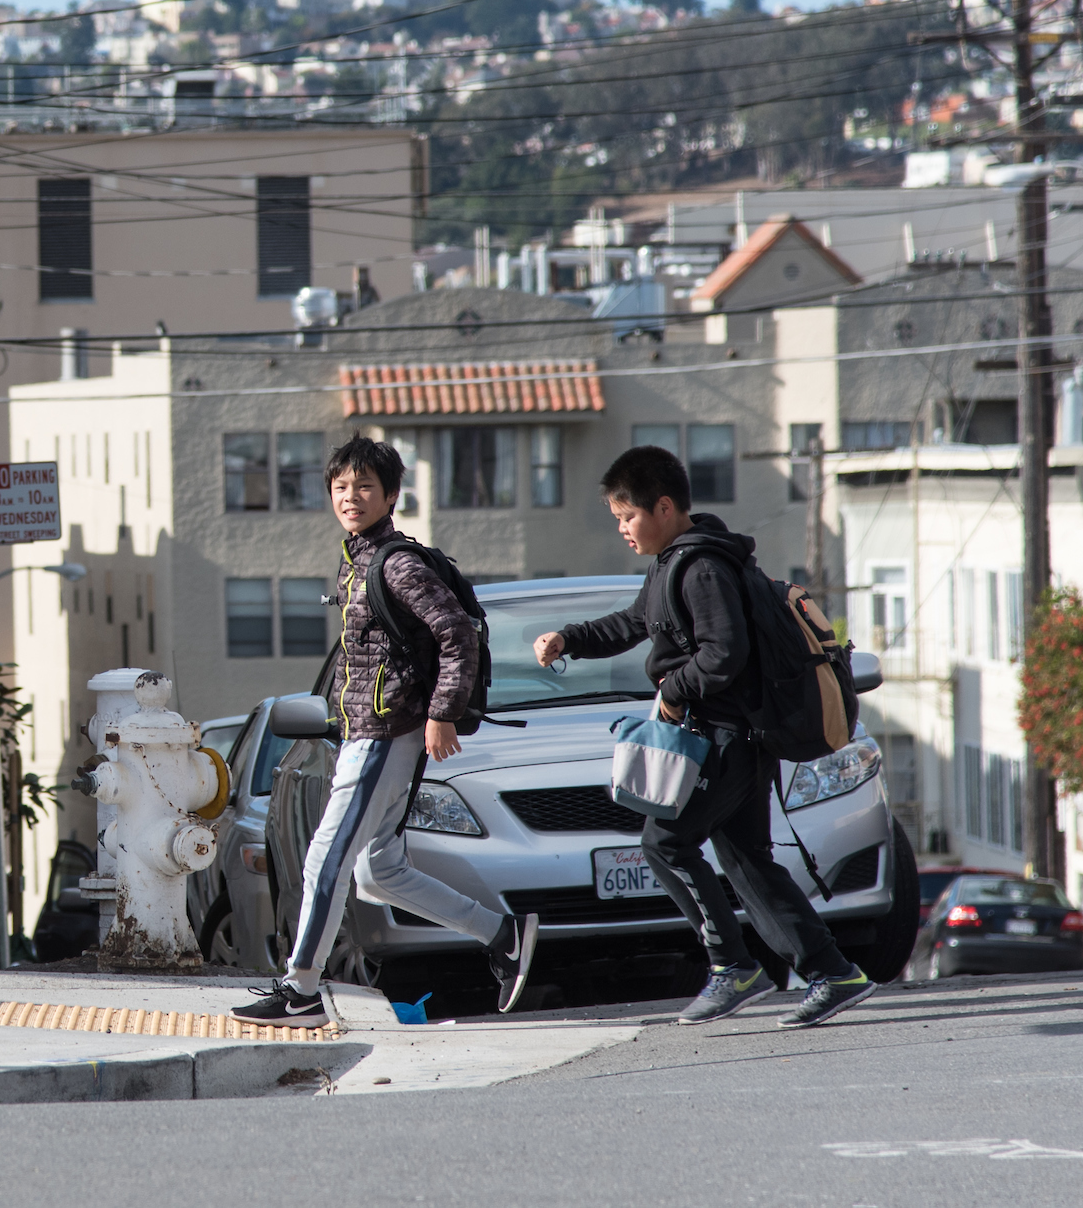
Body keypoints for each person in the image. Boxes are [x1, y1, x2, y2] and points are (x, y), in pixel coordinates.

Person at [532, 444, 875, 1029]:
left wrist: (673, 691)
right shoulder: (675, 562)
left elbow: (724, 653)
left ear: (664, 507)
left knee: (665, 843)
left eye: (628, 516)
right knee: (746, 861)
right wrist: (570, 639)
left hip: (726, 736)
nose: (623, 529)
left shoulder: (702, 569)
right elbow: (634, 622)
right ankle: (831, 971)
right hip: (730, 734)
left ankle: (731, 966)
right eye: (617, 518)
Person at [235, 435, 537, 1028]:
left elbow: (457, 631)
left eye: (365, 486)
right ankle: (502, 934)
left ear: (392, 495)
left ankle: (300, 991)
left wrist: (442, 713)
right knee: (380, 872)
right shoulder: (357, 559)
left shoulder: (394, 563)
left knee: (326, 857)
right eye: (340, 487)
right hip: (367, 732)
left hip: (383, 733)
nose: (351, 496)